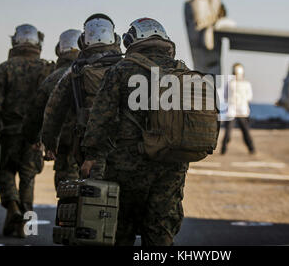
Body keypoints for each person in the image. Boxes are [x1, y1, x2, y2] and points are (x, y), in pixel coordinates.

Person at [81, 18, 188, 246]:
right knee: (160, 227)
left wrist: (91, 155)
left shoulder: (121, 70)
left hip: (128, 162)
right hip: (172, 163)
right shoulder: (182, 71)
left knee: (122, 227)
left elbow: (101, 117)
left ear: (132, 40)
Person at [0, 24, 54, 237]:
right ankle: (27, 228)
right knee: (28, 177)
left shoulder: (5, 68)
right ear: (37, 43)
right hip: (34, 135)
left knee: (4, 172)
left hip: (9, 131)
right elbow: (52, 105)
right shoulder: (46, 68)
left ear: (16, 42)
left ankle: (12, 206)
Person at [41, 14, 122, 169]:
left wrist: (49, 143)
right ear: (115, 39)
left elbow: (53, 111)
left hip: (89, 153)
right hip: (126, 150)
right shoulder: (129, 69)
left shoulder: (75, 73)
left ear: (82, 42)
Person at [23, 29, 81, 190]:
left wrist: (37, 140)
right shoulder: (99, 72)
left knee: (68, 196)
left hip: (65, 147)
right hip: (97, 149)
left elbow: (38, 112)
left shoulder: (54, 77)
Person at [221, 63, 255, 154]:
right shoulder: (229, 83)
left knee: (246, 132)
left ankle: (251, 149)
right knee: (228, 133)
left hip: (242, 111)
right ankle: (223, 149)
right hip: (231, 111)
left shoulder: (246, 84)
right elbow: (225, 96)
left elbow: (249, 96)